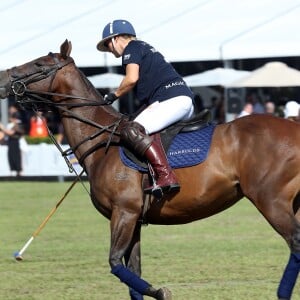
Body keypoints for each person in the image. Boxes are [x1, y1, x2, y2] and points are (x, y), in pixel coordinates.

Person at [96, 19, 195, 197]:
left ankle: (166, 175)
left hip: (171, 101)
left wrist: (112, 96)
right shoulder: (143, 47)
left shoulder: (131, 48)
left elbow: (131, 79)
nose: (109, 50)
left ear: (116, 38)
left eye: (108, 45)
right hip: (180, 100)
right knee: (138, 123)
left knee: (132, 131)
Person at [0, 106, 25, 176]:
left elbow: (11, 133)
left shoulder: (17, 124)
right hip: (11, 143)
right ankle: (14, 172)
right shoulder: (11, 124)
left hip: (16, 143)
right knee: (11, 157)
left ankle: (19, 173)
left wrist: (2, 128)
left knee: (16, 158)